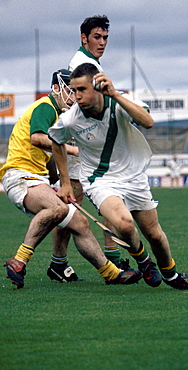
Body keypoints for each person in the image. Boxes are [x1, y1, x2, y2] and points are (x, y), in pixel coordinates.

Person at [48, 63, 188, 290]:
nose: (76, 96)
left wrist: (115, 94)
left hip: (134, 178)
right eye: (74, 90)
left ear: (98, 87)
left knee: (155, 235)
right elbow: (56, 140)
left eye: (82, 89)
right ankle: (144, 261)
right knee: (124, 224)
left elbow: (147, 122)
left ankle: (170, 273)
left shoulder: (119, 101)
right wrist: (65, 182)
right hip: (100, 181)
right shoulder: (70, 119)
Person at [0, 68, 142, 289]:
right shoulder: (46, 107)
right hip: (20, 176)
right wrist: (73, 151)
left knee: (81, 223)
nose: (73, 96)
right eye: (69, 90)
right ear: (56, 89)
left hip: (36, 178)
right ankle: (19, 261)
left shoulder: (58, 117)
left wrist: (56, 179)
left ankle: (111, 273)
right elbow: (37, 139)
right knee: (58, 209)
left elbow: (44, 154)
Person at [52, 14, 125, 277]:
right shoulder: (84, 63)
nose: (103, 42)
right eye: (97, 37)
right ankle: (60, 263)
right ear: (84, 38)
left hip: (85, 140)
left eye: (105, 37)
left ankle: (59, 264)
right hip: (82, 139)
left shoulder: (90, 61)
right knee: (77, 202)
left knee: (84, 200)